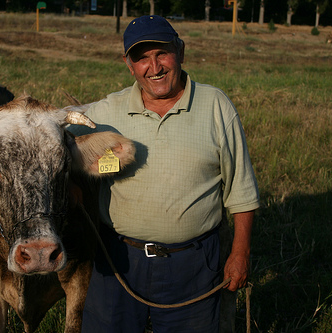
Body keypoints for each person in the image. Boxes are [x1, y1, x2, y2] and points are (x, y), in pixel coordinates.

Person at [69, 15, 260, 333]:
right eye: (141, 57)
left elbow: (242, 190)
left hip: (193, 264)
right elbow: (56, 148)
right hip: (117, 261)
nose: (154, 67)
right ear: (129, 65)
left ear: (181, 52)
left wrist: (240, 253)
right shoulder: (105, 114)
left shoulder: (215, 106)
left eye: (162, 53)